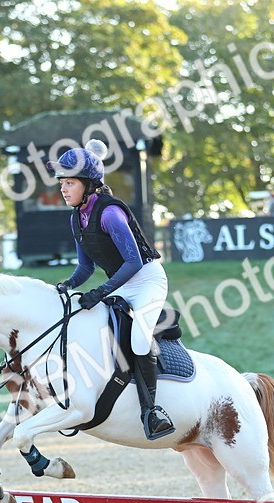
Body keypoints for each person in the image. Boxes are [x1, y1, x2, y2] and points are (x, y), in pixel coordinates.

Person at [51, 138, 175, 440]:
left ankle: (152, 412)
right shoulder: (76, 218)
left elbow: (133, 262)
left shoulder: (109, 214)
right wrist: (66, 285)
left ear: (89, 184)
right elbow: (86, 268)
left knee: (139, 340)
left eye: (69, 183)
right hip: (121, 281)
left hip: (146, 281)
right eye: (62, 183)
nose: (63, 189)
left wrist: (100, 293)